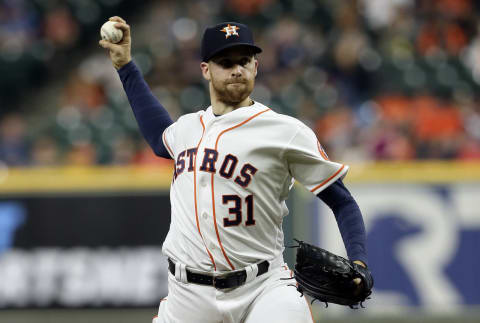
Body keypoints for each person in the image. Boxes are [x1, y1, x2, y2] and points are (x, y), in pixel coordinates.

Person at [100, 17, 369, 323]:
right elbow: (158, 136)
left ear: (256, 66)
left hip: (264, 287)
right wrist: (125, 66)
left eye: (244, 61)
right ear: (206, 70)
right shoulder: (187, 128)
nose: (236, 69)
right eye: (225, 62)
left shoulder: (285, 131)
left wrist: (359, 260)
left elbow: (342, 201)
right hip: (188, 295)